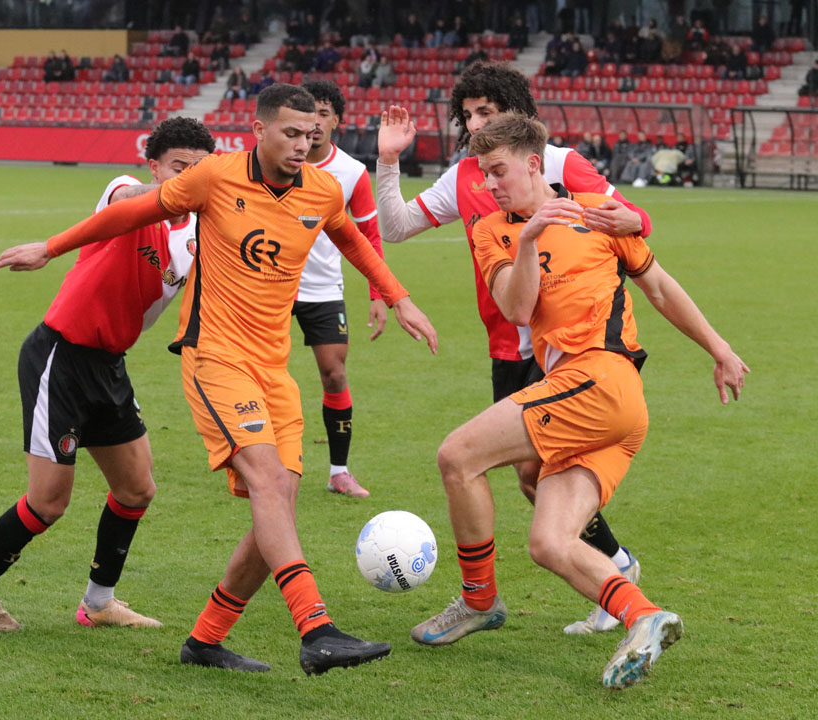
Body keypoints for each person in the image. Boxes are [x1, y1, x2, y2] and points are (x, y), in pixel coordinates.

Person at [0, 83, 438, 675]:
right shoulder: (215, 178)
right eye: (291, 133)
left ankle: (205, 640)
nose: (304, 145)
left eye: (311, 135)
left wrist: (397, 296)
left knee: (278, 499)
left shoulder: (322, 190)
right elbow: (130, 211)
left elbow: (353, 239)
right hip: (217, 359)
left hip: (274, 369)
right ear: (258, 130)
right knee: (267, 483)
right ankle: (316, 627)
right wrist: (50, 247)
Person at [433, 111, 748, 687]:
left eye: (499, 171)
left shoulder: (597, 217)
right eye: (484, 173)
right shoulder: (491, 231)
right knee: (549, 542)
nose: (490, 184)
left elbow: (659, 287)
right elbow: (517, 309)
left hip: (602, 380)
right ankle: (645, 617)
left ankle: (478, 601)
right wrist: (528, 237)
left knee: (458, 456)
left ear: (533, 164)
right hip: (596, 401)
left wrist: (720, 349)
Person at [375, 61, 652, 635]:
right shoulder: (464, 176)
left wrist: (639, 218)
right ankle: (616, 570)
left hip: (566, 346)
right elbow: (396, 226)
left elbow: (628, 221)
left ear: (515, 112)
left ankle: (499, 596)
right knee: (531, 479)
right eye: (467, 114)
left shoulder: (559, 162)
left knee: (484, 460)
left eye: (486, 111)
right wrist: (388, 161)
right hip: (508, 340)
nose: (475, 122)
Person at [0, 118, 216, 633]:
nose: (189, 180)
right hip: (60, 357)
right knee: (49, 502)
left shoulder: (198, 236)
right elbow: (128, 198)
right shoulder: (122, 193)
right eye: (180, 169)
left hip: (109, 366)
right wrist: (172, 189)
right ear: (154, 165)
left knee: (137, 489)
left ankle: (98, 603)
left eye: (201, 171)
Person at [296, 79, 387, 498]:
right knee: (261, 372)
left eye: (323, 113)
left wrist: (378, 294)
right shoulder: (271, 160)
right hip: (270, 284)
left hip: (322, 288)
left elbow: (369, 236)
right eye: (307, 112)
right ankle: (255, 462)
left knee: (334, 374)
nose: (314, 122)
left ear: (337, 121)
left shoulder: (351, 172)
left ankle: (338, 471)